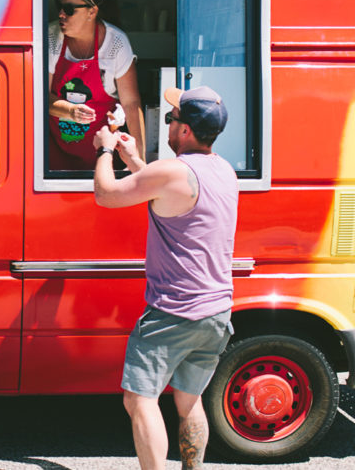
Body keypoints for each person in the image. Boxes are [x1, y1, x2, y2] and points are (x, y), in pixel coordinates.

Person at [92, 85, 238, 470]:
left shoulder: (172, 170)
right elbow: (171, 192)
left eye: (171, 119)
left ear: (185, 130)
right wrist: (137, 160)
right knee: (189, 402)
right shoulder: (223, 170)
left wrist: (105, 148)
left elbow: (106, 194)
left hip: (174, 312)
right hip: (216, 313)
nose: (168, 124)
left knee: (139, 399)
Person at [47, 0, 144, 170]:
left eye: (69, 9)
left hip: (104, 156)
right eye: (60, 6)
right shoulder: (51, 37)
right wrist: (70, 111)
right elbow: (38, 99)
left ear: (92, 12)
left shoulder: (116, 43)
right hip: (55, 157)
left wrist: (138, 162)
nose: (61, 14)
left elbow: (131, 104)